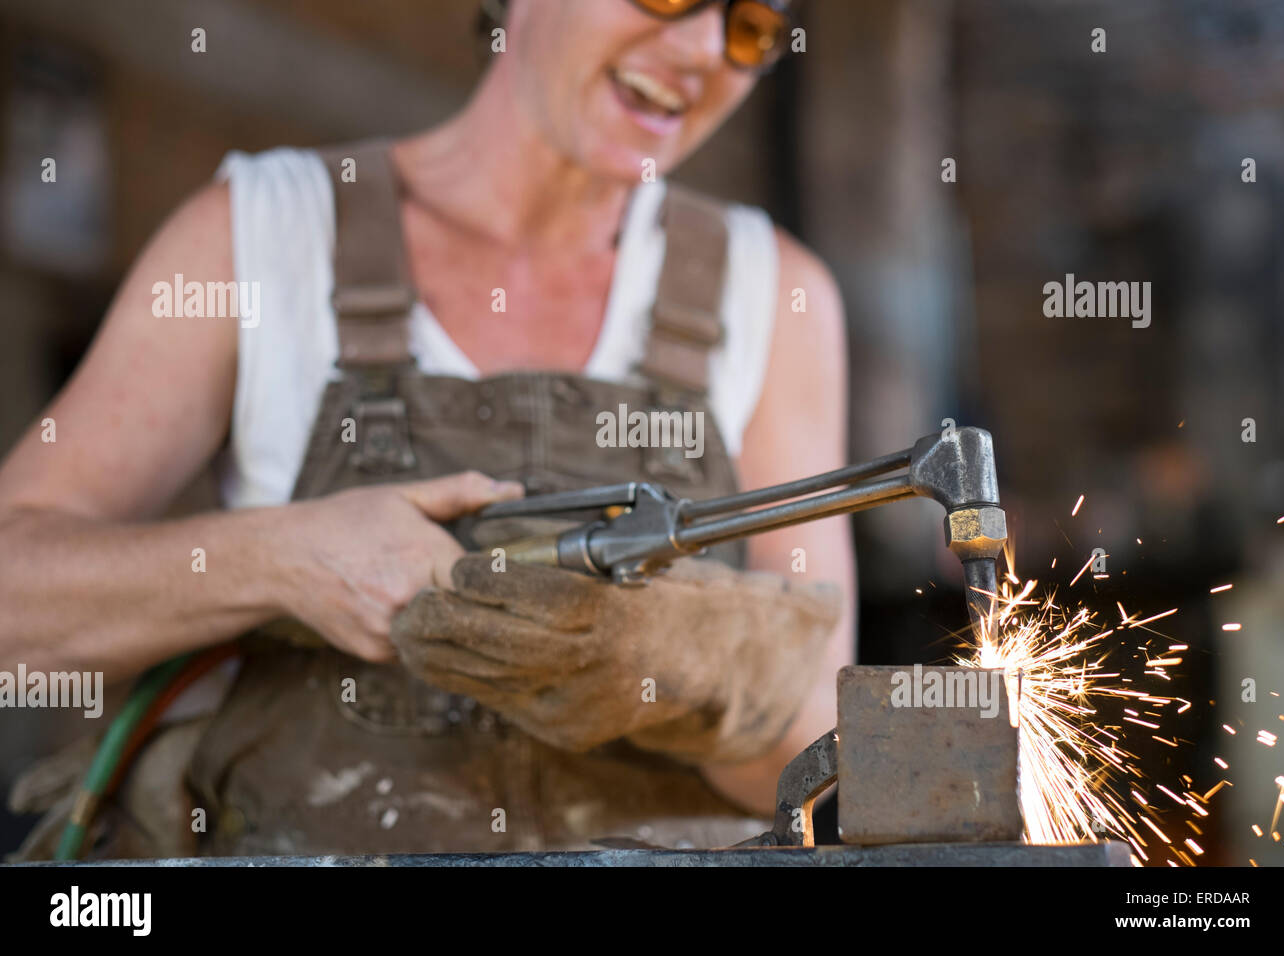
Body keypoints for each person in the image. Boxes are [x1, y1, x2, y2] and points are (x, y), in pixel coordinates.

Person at [0, 0, 854, 857]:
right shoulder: (261, 236)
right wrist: (283, 560)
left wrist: (666, 662)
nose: (705, 50)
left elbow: (826, 749)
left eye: (751, 28)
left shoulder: (776, 295)